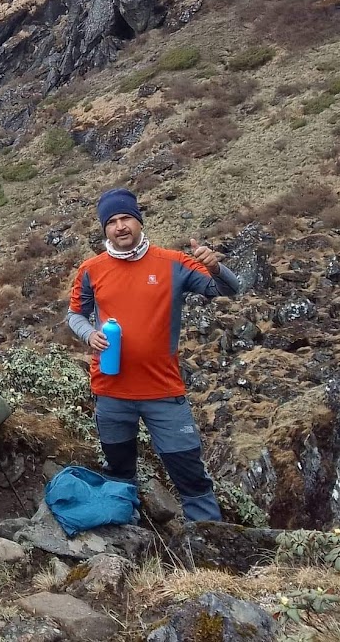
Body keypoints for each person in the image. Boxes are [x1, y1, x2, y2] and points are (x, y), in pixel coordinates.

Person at [66, 187, 242, 522]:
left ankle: (211, 561)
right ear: (105, 228)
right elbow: (74, 314)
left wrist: (216, 268)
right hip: (111, 392)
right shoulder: (91, 269)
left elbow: (229, 290)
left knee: (191, 476)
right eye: (113, 221)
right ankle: (127, 543)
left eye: (126, 218)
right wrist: (89, 334)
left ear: (139, 221)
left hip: (163, 393)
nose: (120, 226)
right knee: (119, 473)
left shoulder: (173, 263)